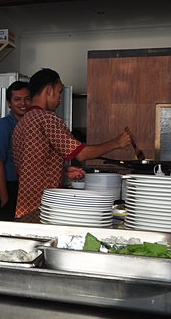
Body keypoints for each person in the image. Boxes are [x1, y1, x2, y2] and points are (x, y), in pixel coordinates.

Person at [12, 68, 132, 220]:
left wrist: (61, 170)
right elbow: (81, 154)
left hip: (24, 205)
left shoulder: (22, 123)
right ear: (49, 90)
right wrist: (117, 143)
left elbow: (29, 166)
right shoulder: (47, 119)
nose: (60, 98)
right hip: (45, 206)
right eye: (59, 92)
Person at [0, 80, 30, 220]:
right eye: (17, 99)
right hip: (7, 187)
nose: (23, 103)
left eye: (27, 99)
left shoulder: (30, 125)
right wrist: (4, 199)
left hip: (24, 188)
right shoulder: (2, 126)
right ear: (9, 103)